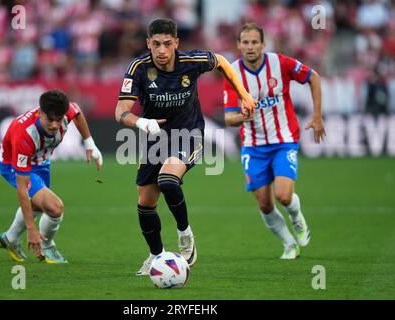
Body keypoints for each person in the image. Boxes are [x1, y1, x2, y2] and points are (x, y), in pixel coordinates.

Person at [114, 18, 256, 275]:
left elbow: (221, 61)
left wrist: (243, 94)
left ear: (176, 43)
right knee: (145, 202)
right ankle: (156, 257)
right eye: (155, 44)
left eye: (167, 43)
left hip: (188, 134)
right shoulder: (138, 67)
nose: (161, 50)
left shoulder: (191, 61)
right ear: (148, 43)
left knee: (168, 180)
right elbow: (121, 112)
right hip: (154, 138)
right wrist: (141, 122)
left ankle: (185, 235)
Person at [223, 23, 326, 259]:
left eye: (254, 42)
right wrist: (242, 116)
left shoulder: (281, 63)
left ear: (262, 44)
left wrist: (317, 116)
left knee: (284, 196)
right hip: (253, 146)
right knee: (265, 205)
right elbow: (229, 118)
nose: (250, 47)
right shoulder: (231, 73)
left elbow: (315, 78)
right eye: (245, 42)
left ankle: (297, 219)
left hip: (284, 140)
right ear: (239, 45)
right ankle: (289, 244)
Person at [0, 89, 103, 264]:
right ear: (40, 113)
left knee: (38, 205)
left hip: (41, 160)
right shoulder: (24, 135)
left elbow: (77, 113)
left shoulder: (64, 111)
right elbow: (22, 188)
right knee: (55, 208)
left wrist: (89, 143)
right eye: (50, 120)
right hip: (14, 165)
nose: (55, 125)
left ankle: (10, 238)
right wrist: (31, 229)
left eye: (59, 120)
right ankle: (47, 247)